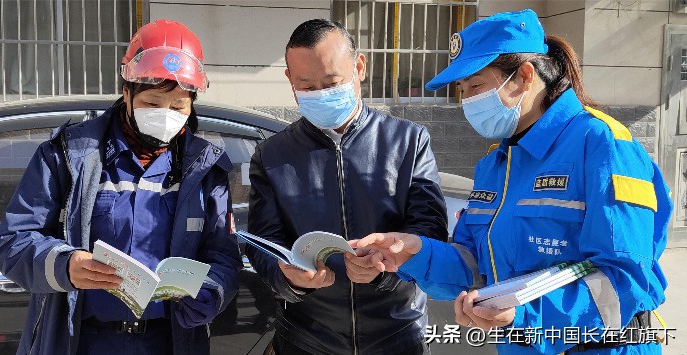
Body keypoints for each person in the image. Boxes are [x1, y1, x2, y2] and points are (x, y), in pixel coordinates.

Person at [352, 9, 671, 355]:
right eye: (462, 90)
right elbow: (476, 266)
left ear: (523, 76)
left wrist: (525, 315)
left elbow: (625, 280)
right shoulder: (494, 165)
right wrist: (414, 253)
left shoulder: (602, 145)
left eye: (476, 85)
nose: (468, 100)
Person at [0, 19, 241, 355]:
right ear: (127, 92)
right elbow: (13, 241)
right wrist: (65, 265)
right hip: (83, 341)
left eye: (179, 105)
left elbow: (223, 256)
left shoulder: (205, 169)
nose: (166, 114)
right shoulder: (69, 155)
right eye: (153, 103)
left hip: (171, 341)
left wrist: (211, 292)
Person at [246, 19, 448, 355]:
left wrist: (386, 265)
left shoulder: (408, 141)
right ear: (290, 81)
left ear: (359, 67)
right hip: (306, 338)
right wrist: (291, 281)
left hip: (397, 334)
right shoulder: (272, 155)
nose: (320, 95)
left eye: (331, 82)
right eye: (306, 86)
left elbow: (429, 230)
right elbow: (264, 246)